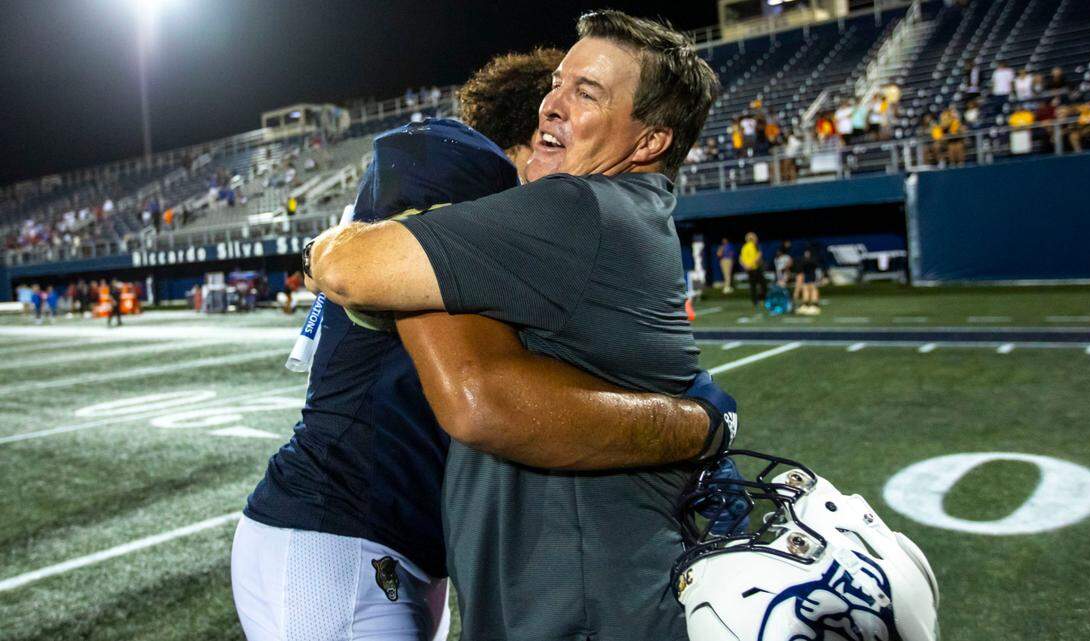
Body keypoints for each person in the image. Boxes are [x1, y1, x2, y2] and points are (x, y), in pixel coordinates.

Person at [235, 44, 732, 641]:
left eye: (586, 95)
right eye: (556, 96)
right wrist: (699, 427)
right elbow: (480, 398)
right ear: (524, 146)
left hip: (404, 546)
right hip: (339, 526)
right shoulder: (451, 172)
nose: (560, 115)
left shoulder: (551, 227)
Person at [739, 232, 766, 313]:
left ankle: (757, 300)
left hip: (752, 268)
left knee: (756, 285)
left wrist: (746, 266)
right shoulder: (749, 246)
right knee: (759, 284)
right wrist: (749, 265)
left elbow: (741, 259)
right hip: (753, 268)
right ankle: (757, 300)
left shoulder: (746, 246)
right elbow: (758, 256)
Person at [794, 248, 821, 314]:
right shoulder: (806, 260)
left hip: (812, 275)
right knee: (806, 288)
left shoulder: (812, 259)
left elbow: (815, 266)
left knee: (812, 288)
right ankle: (806, 304)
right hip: (807, 275)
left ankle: (814, 304)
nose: (806, 254)